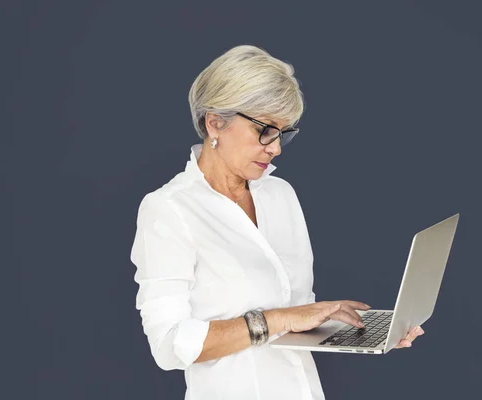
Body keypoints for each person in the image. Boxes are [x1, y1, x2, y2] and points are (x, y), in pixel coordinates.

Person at [129, 44, 424, 400]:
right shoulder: (169, 209)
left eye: (283, 134)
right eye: (265, 130)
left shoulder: (279, 195)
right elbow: (168, 344)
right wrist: (279, 319)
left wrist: (367, 332)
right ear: (214, 122)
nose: (276, 148)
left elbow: (297, 316)